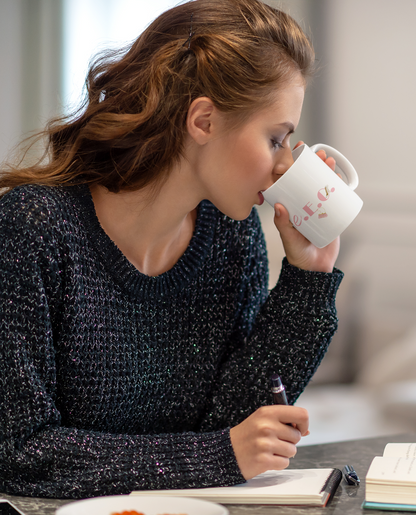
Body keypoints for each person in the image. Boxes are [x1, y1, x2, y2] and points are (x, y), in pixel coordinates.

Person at [0, 0, 343, 500]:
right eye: (276, 138)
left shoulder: (232, 235)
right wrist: (217, 455)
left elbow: (236, 426)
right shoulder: (33, 230)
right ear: (203, 121)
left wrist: (308, 278)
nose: (282, 166)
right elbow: (20, 452)